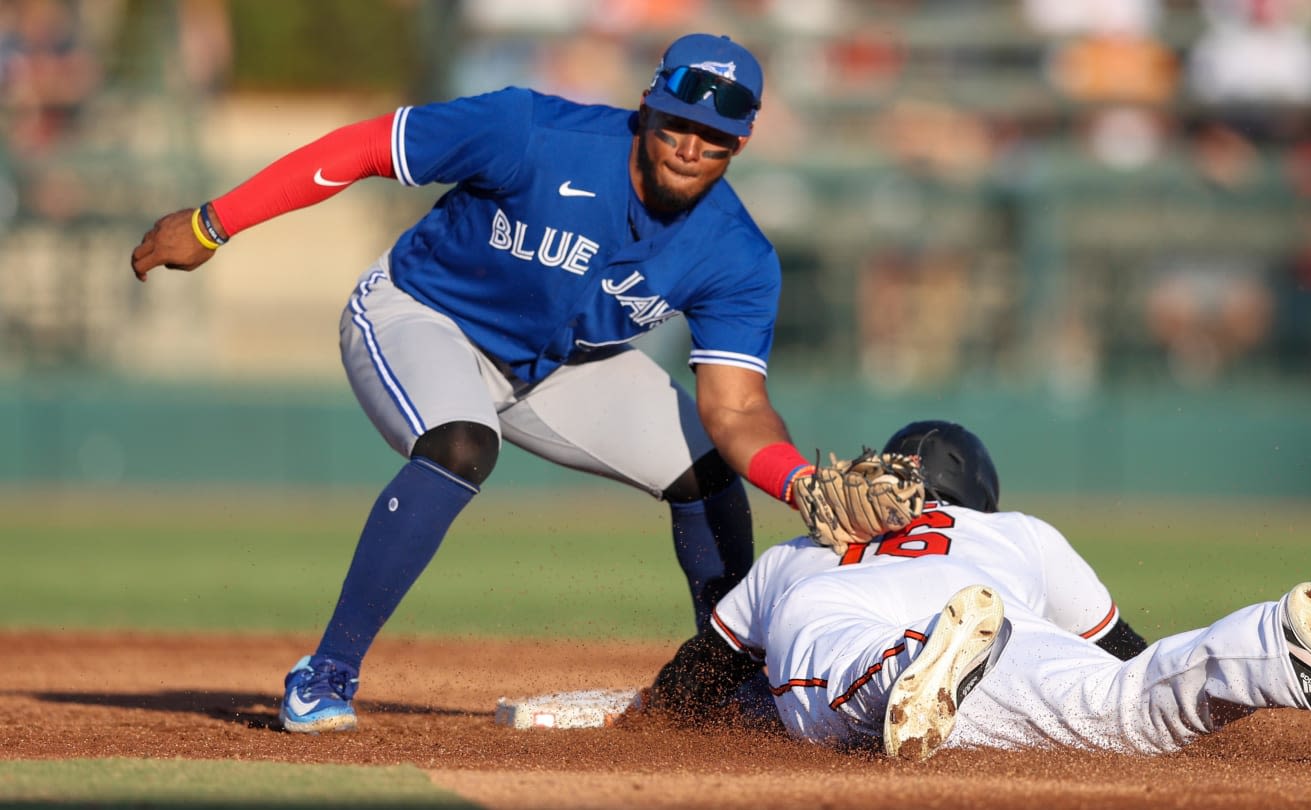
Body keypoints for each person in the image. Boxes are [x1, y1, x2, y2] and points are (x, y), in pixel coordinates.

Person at [129, 33, 849, 735]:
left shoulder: (737, 254)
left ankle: (720, 689)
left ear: (742, 144)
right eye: (678, 124)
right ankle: (326, 673)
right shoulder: (530, 131)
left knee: (707, 468)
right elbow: (365, 147)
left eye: (714, 137)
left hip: (551, 365)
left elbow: (738, 407)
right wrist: (214, 222)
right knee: (462, 444)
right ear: (646, 106)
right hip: (420, 314)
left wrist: (800, 483)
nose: (691, 147)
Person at [642, 420, 1311, 766]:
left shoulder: (806, 548)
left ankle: (908, 665)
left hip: (870, 620)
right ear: (978, 492)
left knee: (834, 686)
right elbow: (1124, 649)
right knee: (1124, 704)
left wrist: (658, 711)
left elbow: (703, 669)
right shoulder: (1016, 531)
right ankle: (1271, 647)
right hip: (1002, 621)